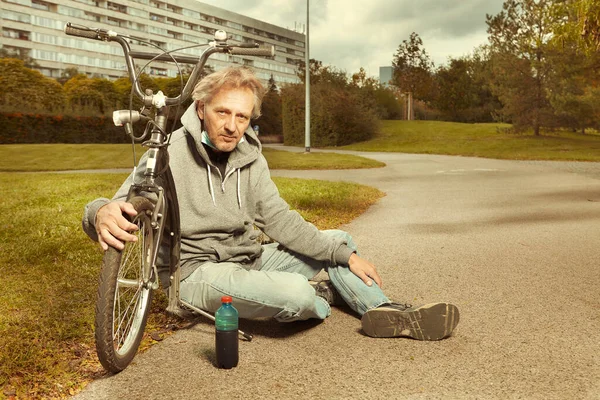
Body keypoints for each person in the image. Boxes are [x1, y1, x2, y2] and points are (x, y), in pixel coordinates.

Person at [82, 66, 459, 340]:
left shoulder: (250, 156)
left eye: (242, 116)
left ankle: (384, 311)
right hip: (195, 274)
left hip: (250, 257)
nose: (232, 125)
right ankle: (322, 295)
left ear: (250, 119)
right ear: (201, 109)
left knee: (338, 240)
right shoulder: (169, 153)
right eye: (223, 112)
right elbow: (122, 202)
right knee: (295, 294)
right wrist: (99, 211)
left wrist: (343, 255)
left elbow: (279, 220)